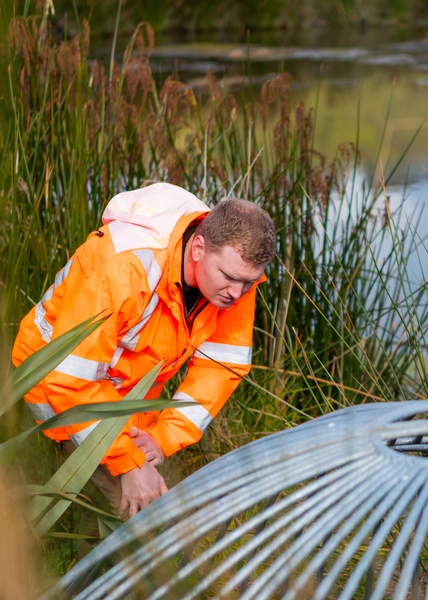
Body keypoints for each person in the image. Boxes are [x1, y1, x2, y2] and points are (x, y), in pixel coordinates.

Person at [12, 182, 276, 518]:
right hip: (53, 384)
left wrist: (163, 439)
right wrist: (128, 462)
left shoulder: (234, 276)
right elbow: (69, 380)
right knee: (139, 511)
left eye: (249, 282)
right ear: (198, 248)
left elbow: (222, 366)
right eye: (230, 277)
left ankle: (92, 536)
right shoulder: (126, 269)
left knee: (145, 500)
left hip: (124, 398)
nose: (237, 293)